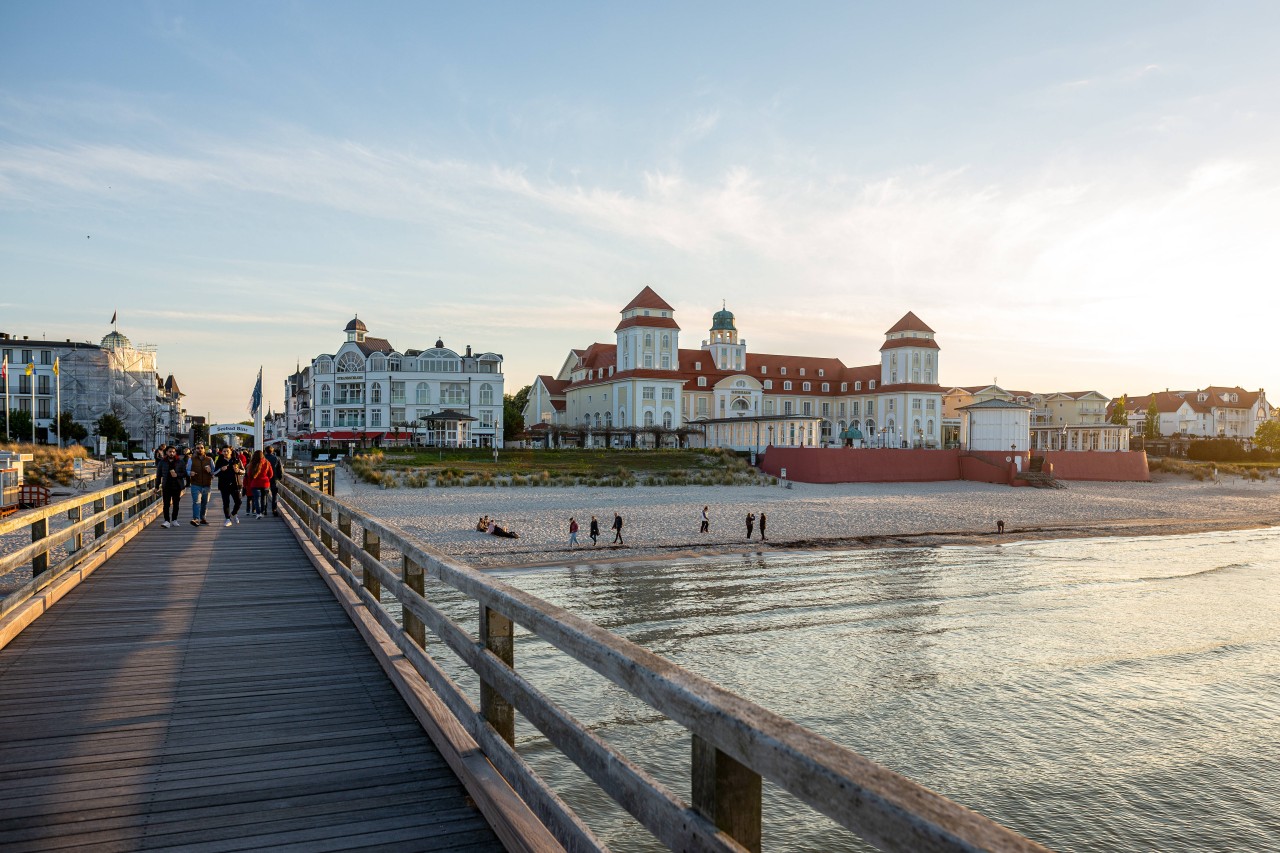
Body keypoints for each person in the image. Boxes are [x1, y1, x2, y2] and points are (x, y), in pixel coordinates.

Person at [213, 447, 244, 526]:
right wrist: (221, 469)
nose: (226, 452)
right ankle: (227, 519)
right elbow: (215, 473)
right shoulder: (219, 461)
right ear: (222, 452)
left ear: (231, 452)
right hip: (224, 485)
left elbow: (243, 471)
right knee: (226, 502)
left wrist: (238, 471)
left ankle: (233, 514)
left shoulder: (236, 460)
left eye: (227, 451)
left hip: (235, 484)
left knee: (238, 501)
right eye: (224, 451)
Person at [187, 444, 214, 526]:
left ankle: (203, 518)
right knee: (196, 502)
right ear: (195, 450)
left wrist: (210, 471)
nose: (200, 449)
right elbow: (187, 470)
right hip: (195, 484)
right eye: (198, 448)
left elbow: (214, 471)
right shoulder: (191, 459)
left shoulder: (209, 459)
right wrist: (190, 473)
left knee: (204, 502)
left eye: (201, 448)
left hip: (207, 484)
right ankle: (196, 519)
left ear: (204, 449)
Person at [159, 446, 185, 528]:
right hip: (166, 485)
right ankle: (166, 520)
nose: (172, 453)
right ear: (166, 452)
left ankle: (174, 520)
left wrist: (177, 475)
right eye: (170, 452)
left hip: (177, 485)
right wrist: (156, 486)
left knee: (176, 504)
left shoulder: (180, 462)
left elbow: (184, 473)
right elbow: (158, 475)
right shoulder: (162, 462)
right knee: (166, 504)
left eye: (173, 452)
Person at [242, 450, 274, 519]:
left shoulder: (252, 463)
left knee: (256, 499)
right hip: (265, 483)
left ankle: (258, 513)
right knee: (264, 498)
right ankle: (263, 512)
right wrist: (266, 478)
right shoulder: (267, 463)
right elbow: (271, 474)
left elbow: (249, 474)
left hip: (255, 484)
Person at [263, 445, 283, 516]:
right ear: (272, 451)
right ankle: (274, 509)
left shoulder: (263, 458)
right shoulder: (276, 458)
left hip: (264, 479)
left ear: (265, 451)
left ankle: (264, 509)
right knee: (274, 495)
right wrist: (280, 477)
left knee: (264, 494)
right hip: (274, 479)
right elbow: (280, 470)